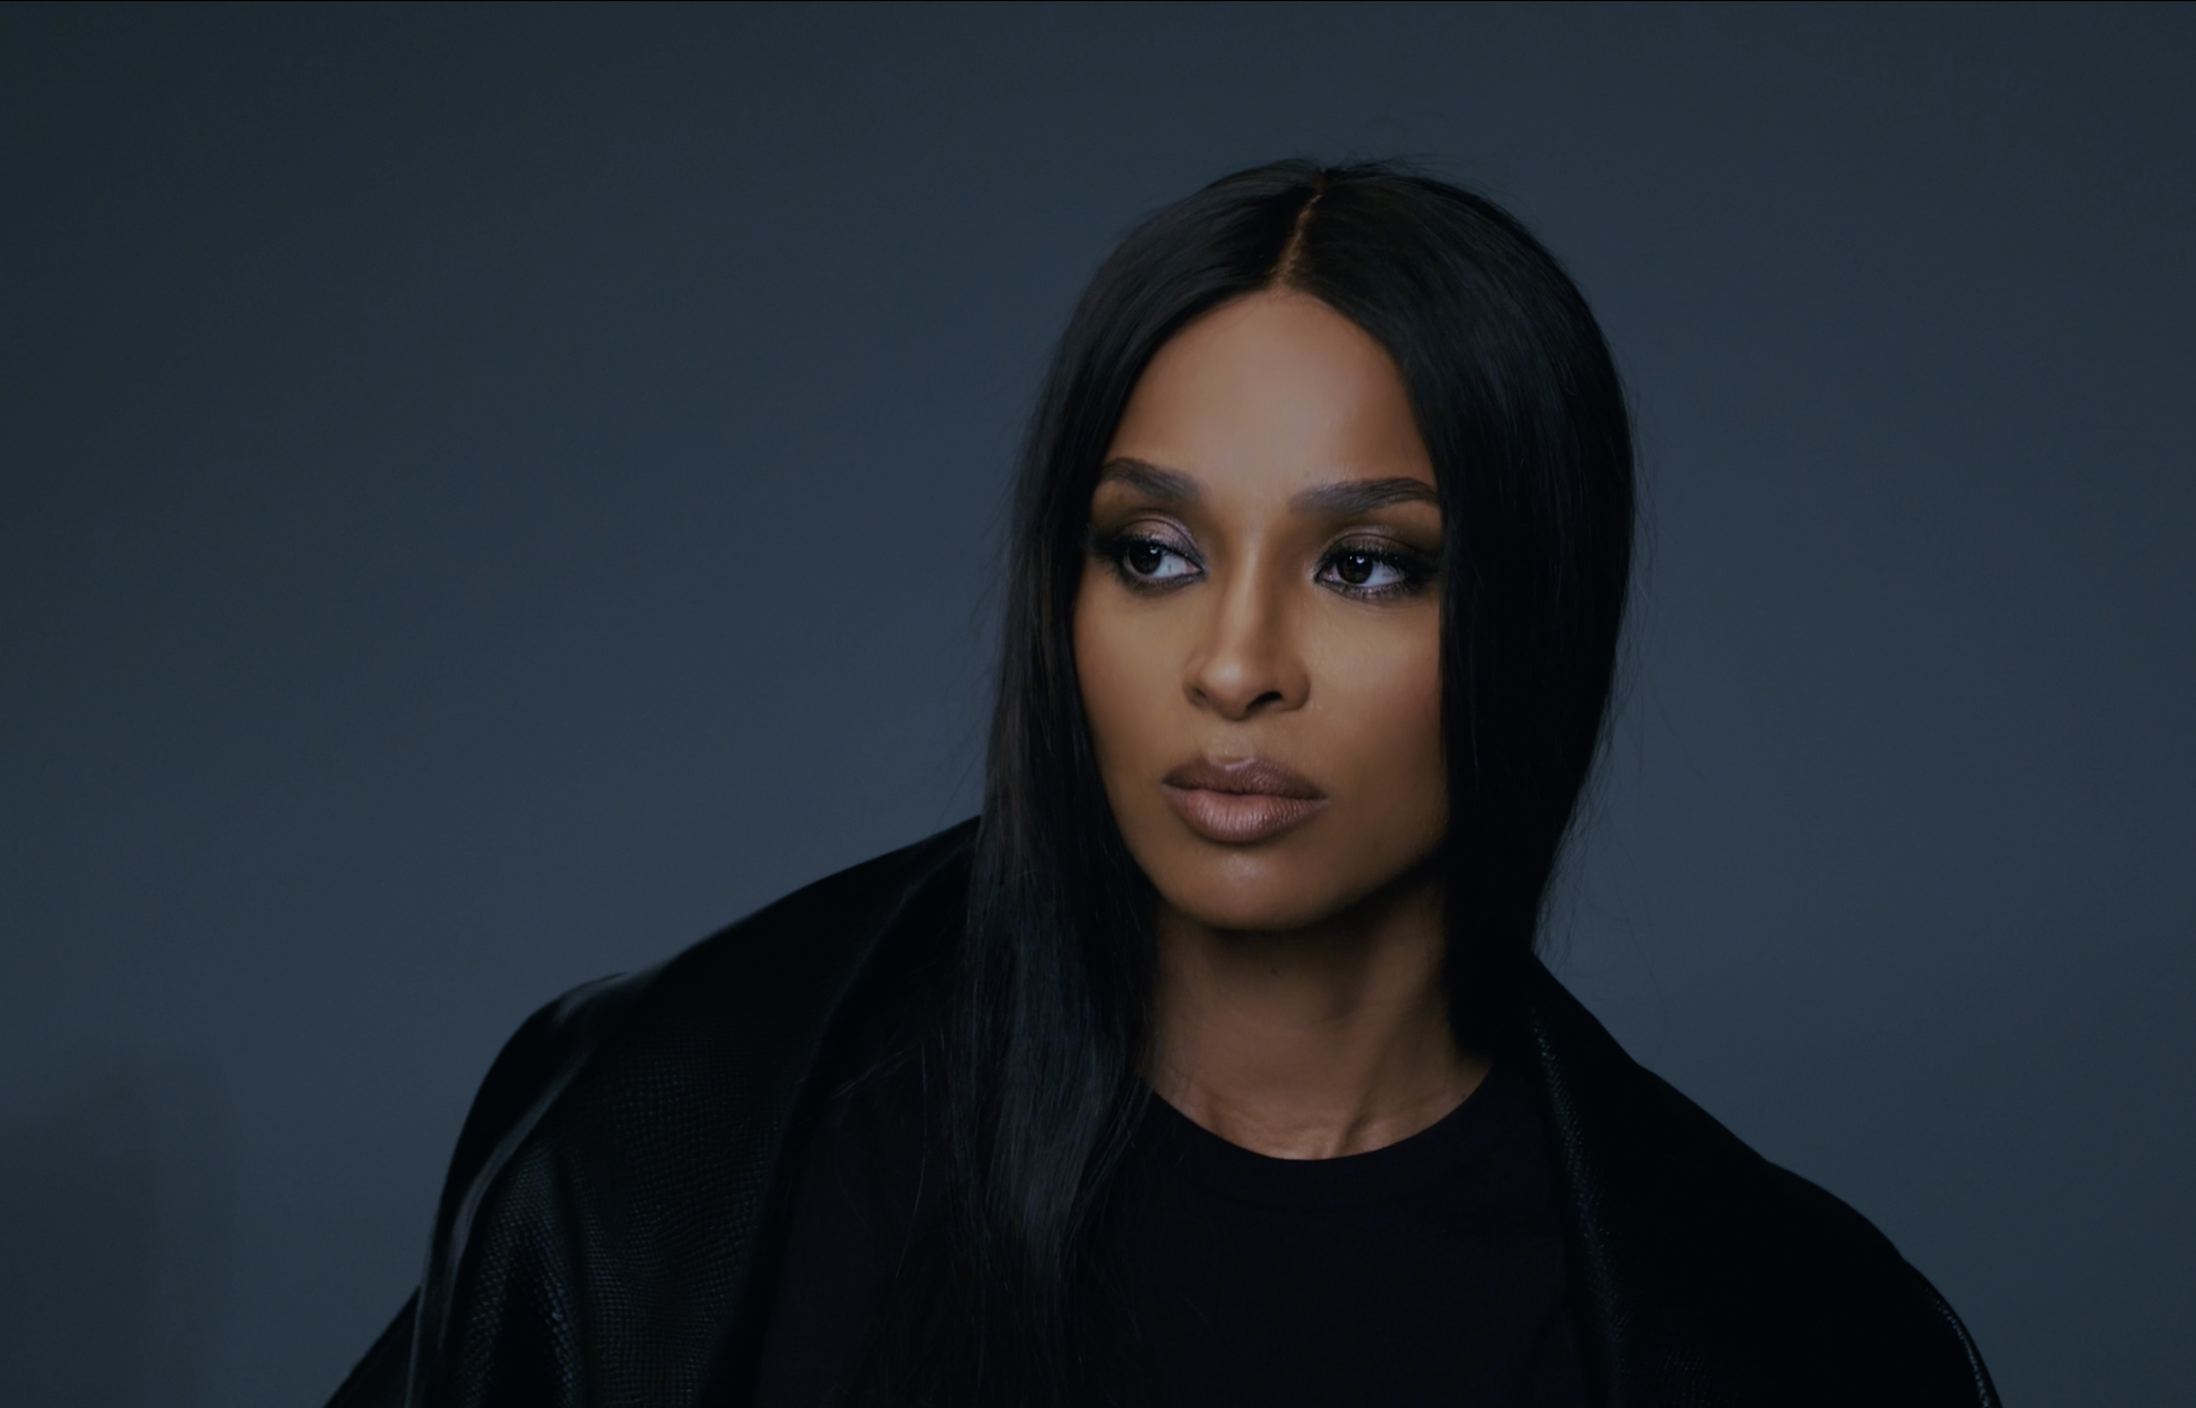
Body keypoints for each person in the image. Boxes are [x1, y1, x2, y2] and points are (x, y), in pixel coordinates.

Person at [326, 161, 1999, 1408]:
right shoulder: (669, 1150)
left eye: (1365, 565)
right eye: (1155, 551)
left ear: (1537, 615)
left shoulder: (1786, 1334)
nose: (1233, 660)